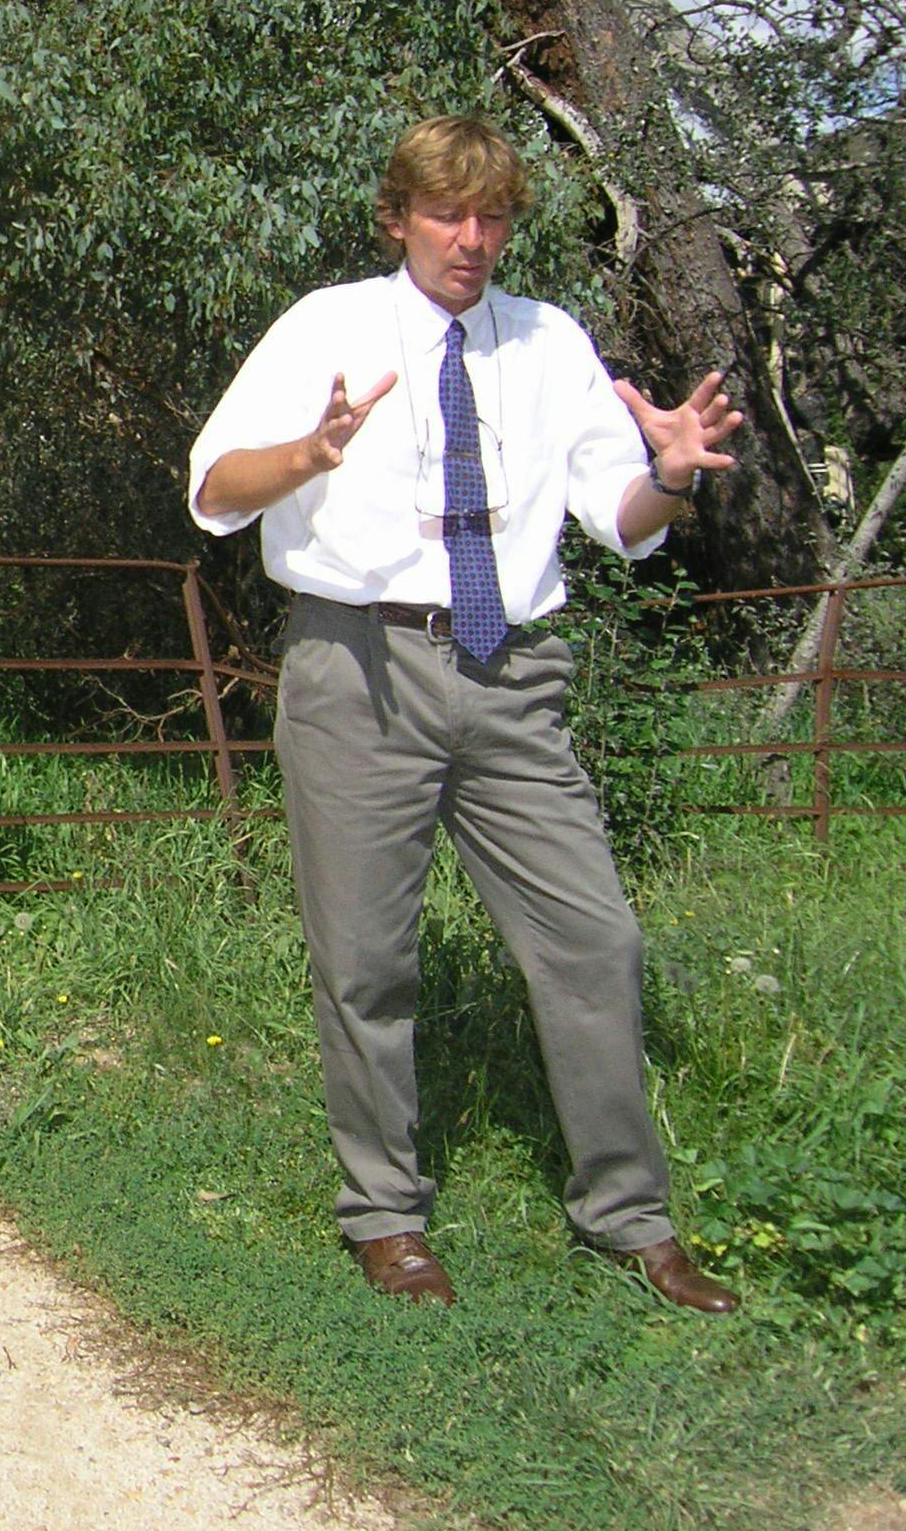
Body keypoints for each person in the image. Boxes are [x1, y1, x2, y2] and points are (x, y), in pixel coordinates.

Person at [187, 115, 743, 1313]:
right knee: (367, 963)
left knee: (595, 941)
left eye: (493, 217)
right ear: (400, 218)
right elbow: (213, 487)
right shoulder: (327, 326)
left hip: (513, 677)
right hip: (358, 669)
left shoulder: (550, 342)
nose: (473, 238)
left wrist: (674, 476)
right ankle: (384, 1214)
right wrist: (312, 451)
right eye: (449, 214)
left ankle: (627, 1215)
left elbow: (619, 517)